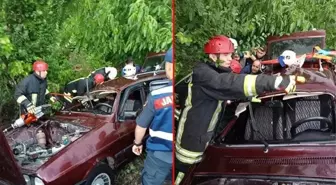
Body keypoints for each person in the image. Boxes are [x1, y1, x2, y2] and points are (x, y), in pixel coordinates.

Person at [174, 35, 305, 184]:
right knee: (184, 177)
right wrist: (274, 82)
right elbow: (229, 83)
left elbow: (231, 89)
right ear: (212, 56)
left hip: (202, 137)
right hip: (190, 144)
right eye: (225, 54)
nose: (231, 58)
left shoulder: (215, 71)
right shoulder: (205, 75)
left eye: (230, 54)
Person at [132, 47, 173, 185]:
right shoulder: (197, 92)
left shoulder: (157, 96)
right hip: (187, 155)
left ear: (169, 67)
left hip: (160, 155)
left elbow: (141, 126)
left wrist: (137, 144)